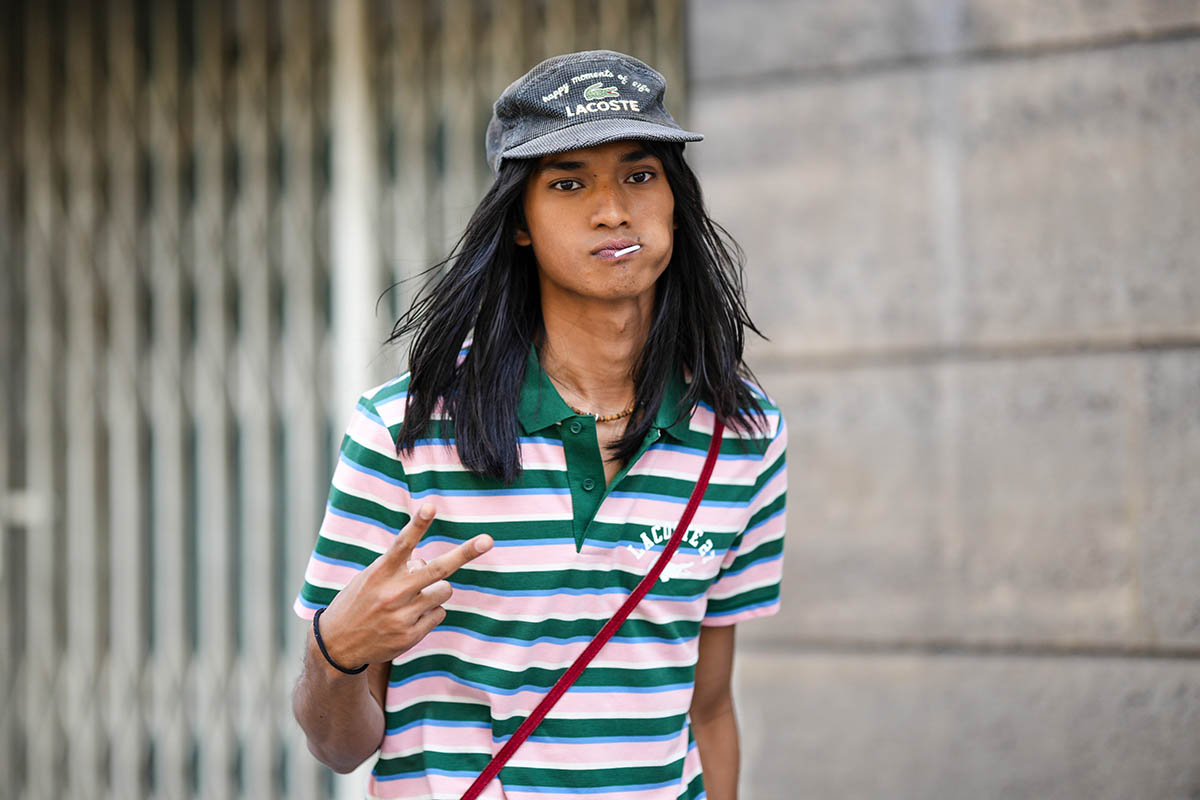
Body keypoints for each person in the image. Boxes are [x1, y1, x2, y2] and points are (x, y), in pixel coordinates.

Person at [292, 50, 787, 800]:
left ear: (675, 200)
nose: (613, 209)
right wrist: (338, 654)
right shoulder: (405, 430)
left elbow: (709, 708)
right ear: (519, 223)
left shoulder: (744, 437)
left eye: (640, 174)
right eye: (568, 183)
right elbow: (340, 748)